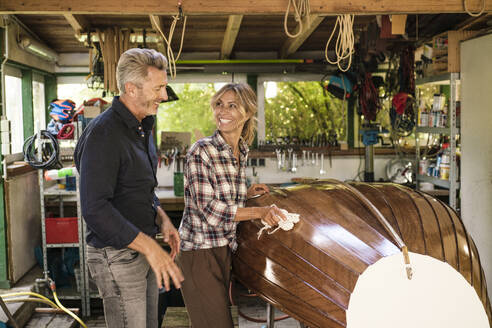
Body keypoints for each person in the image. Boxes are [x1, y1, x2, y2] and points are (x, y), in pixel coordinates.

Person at [74, 48, 184, 328]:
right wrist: (150, 248)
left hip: (141, 248)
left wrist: (163, 219)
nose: (163, 95)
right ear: (131, 89)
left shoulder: (142, 126)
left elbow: (140, 189)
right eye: (158, 88)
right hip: (118, 256)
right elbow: (95, 208)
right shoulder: (103, 134)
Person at [177, 83, 287, 328]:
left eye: (231, 106)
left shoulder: (240, 151)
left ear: (246, 114)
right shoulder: (202, 151)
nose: (222, 111)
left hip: (224, 249)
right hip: (199, 252)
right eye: (219, 105)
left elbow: (221, 197)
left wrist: (245, 194)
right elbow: (210, 211)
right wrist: (259, 212)